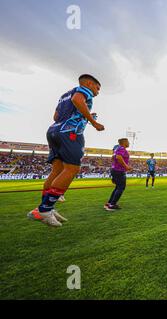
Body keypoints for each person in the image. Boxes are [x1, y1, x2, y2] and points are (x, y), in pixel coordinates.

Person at [27, 74, 104, 227]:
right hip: (70, 133)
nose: (97, 91)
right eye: (97, 88)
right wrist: (93, 122)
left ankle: (45, 208)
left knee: (56, 170)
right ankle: (45, 209)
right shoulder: (83, 91)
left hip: (53, 131)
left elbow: (56, 116)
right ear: (89, 83)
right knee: (72, 169)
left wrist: (82, 116)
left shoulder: (64, 95)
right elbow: (77, 100)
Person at [104, 138, 132, 211]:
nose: (129, 143)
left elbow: (113, 158)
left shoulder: (118, 148)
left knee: (117, 187)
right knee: (121, 187)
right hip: (119, 171)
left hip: (116, 170)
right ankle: (112, 205)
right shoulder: (122, 148)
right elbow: (118, 157)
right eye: (128, 142)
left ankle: (109, 203)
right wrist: (126, 166)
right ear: (124, 142)